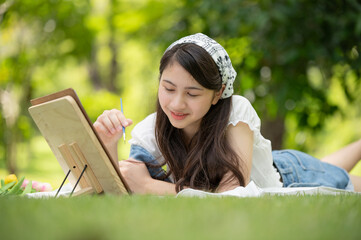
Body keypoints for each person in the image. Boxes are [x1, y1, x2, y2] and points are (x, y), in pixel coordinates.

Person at [94, 33, 361, 195]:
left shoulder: (236, 111)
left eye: (192, 93)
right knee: (331, 164)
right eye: (168, 88)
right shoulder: (147, 131)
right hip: (265, 161)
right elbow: (125, 189)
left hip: (292, 175)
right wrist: (107, 145)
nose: (177, 103)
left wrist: (152, 188)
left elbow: (231, 195)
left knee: (339, 177)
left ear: (218, 92)